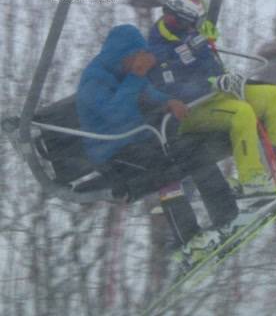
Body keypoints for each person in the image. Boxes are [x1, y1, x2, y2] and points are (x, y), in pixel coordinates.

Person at [76, 24, 237, 269]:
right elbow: (114, 116)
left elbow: (148, 92)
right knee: (164, 167)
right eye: (136, 57)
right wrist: (135, 76)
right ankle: (189, 241)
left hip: (137, 141)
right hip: (110, 153)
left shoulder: (125, 72)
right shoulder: (94, 79)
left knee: (193, 151)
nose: (139, 62)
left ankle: (226, 215)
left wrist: (168, 101)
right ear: (124, 55)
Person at [146, 0, 276, 196]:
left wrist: (211, 59)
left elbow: (212, 68)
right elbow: (174, 88)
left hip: (214, 96)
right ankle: (251, 179)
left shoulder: (190, 36)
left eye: (188, 23)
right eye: (173, 19)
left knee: (274, 96)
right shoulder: (156, 49)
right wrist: (211, 81)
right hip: (190, 110)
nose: (178, 24)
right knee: (241, 113)